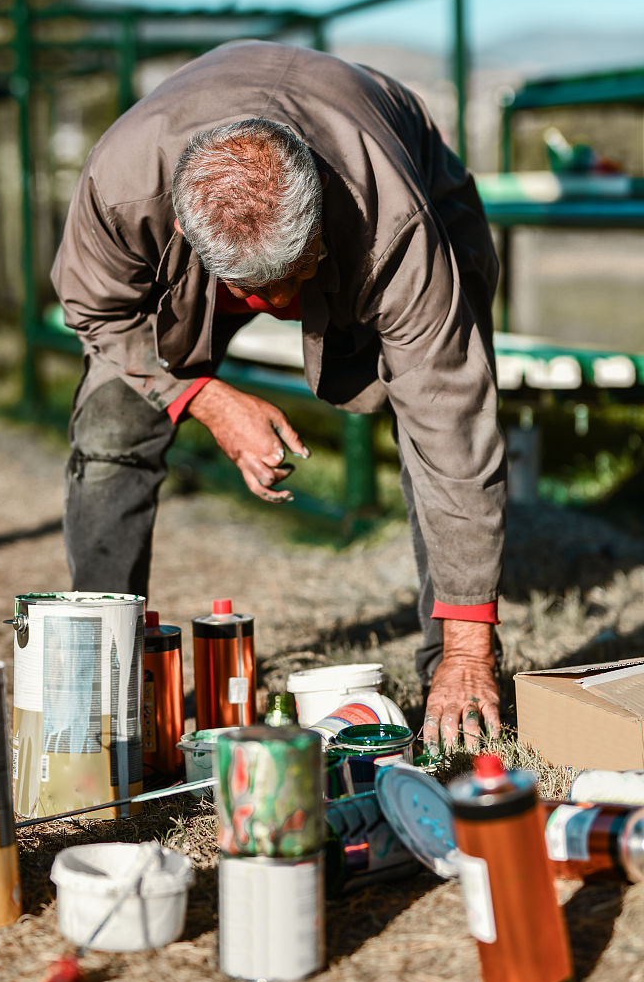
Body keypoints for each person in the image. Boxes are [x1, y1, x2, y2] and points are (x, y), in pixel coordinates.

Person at [51, 40, 506, 754]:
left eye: (297, 277)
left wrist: (471, 649)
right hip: (211, 227)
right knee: (114, 416)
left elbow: (451, 409)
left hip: (407, 184)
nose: (279, 304)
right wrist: (204, 396)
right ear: (181, 233)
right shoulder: (122, 184)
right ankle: (98, 685)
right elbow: (98, 312)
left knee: (432, 428)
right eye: (253, 293)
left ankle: (449, 676)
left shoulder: (393, 223)